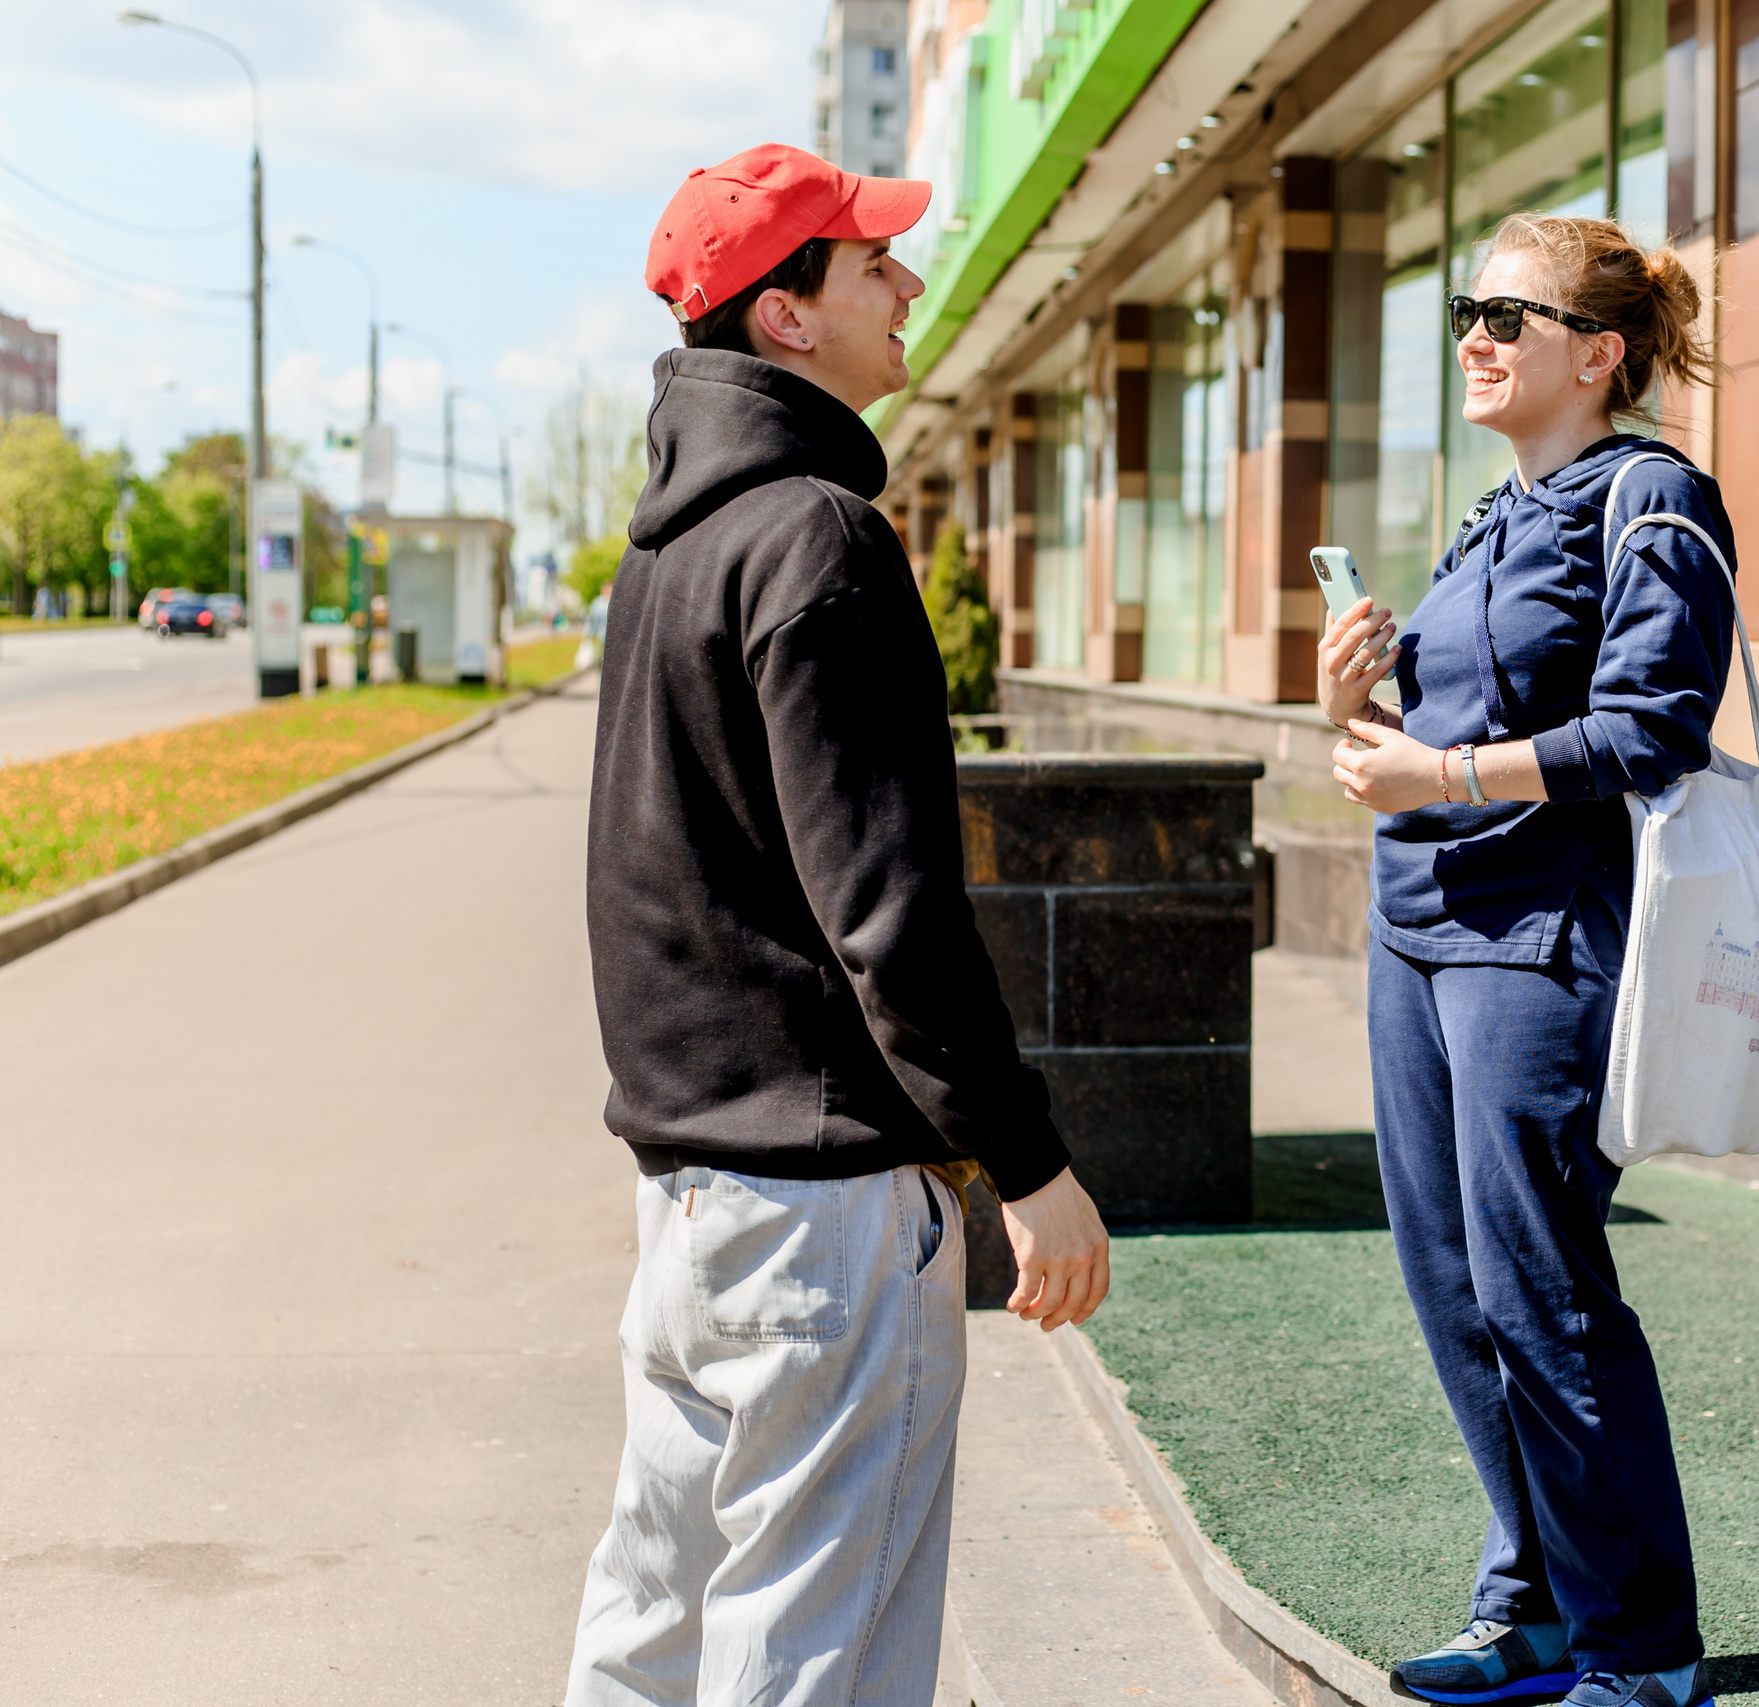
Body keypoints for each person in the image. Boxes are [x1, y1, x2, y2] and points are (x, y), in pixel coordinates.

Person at [566, 143, 1112, 1707]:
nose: (909, 285)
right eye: (873, 264)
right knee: (816, 1662)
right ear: (786, 317)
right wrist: (1030, 1164)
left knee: (652, 1643)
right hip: (823, 1217)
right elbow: (887, 912)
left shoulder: (665, 550)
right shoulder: (819, 536)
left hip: (688, 1206)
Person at [1320, 213, 1736, 1707]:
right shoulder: (1494, 515)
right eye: (1466, 312)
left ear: (1600, 352)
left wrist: (1440, 780)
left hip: (1539, 940)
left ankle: (1642, 1652)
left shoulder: (1656, 502)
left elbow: (1650, 732)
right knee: (1453, 1285)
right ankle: (1538, 1605)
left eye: (1512, 312)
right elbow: (1421, 749)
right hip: (1416, 930)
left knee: (1543, 1292)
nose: (1479, 336)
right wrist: (1349, 704)